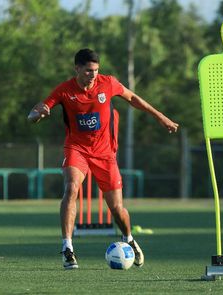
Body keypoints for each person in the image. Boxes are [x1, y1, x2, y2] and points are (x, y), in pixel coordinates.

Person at [27, 48, 179, 270]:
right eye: (88, 70)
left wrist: (161, 118)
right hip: (76, 149)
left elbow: (133, 98)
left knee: (116, 208)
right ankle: (67, 248)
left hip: (105, 153)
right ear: (77, 68)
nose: (93, 75)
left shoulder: (108, 83)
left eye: (96, 70)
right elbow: (34, 114)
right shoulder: (64, 90)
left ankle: (129, 239)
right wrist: (36, 115)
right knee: (71, 189)